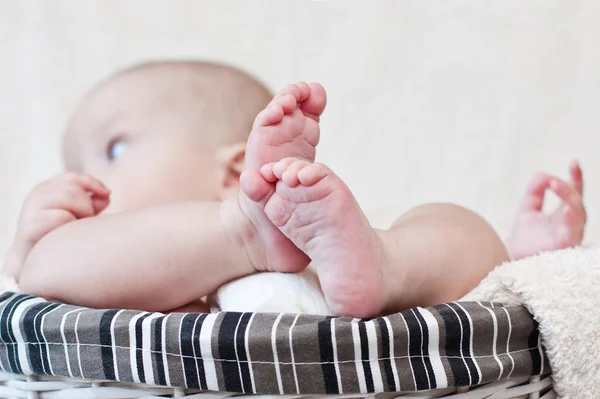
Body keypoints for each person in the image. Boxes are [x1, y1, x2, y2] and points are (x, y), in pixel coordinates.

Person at [2, 61, 587, 318]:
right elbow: (34, 292)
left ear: (233, 171)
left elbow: (470, 299)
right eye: (68, 164)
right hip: (225, 304)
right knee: (59, 266)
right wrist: (31, 250)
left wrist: (517, 271)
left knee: (448, 221)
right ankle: (242, 232)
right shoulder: (104, 261)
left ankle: (392, 262)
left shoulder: (324, 223)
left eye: (116, 149)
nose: (82, 178)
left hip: (346, 283)